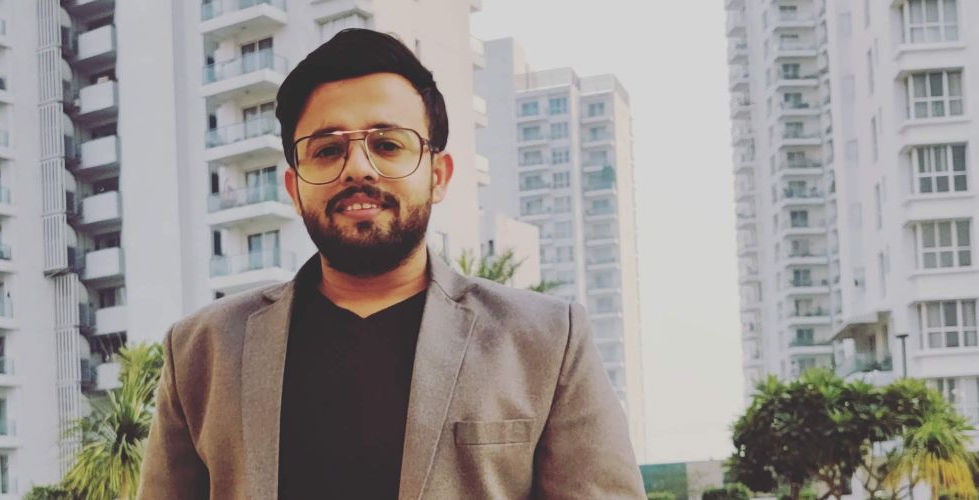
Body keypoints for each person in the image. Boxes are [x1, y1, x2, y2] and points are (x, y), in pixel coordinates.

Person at [137, 28, 644, 499]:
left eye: (387, 145)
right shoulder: (203, 351)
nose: (358, 168)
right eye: (327, 150)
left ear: (438, 175)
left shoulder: (545, 341)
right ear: (294, 187)